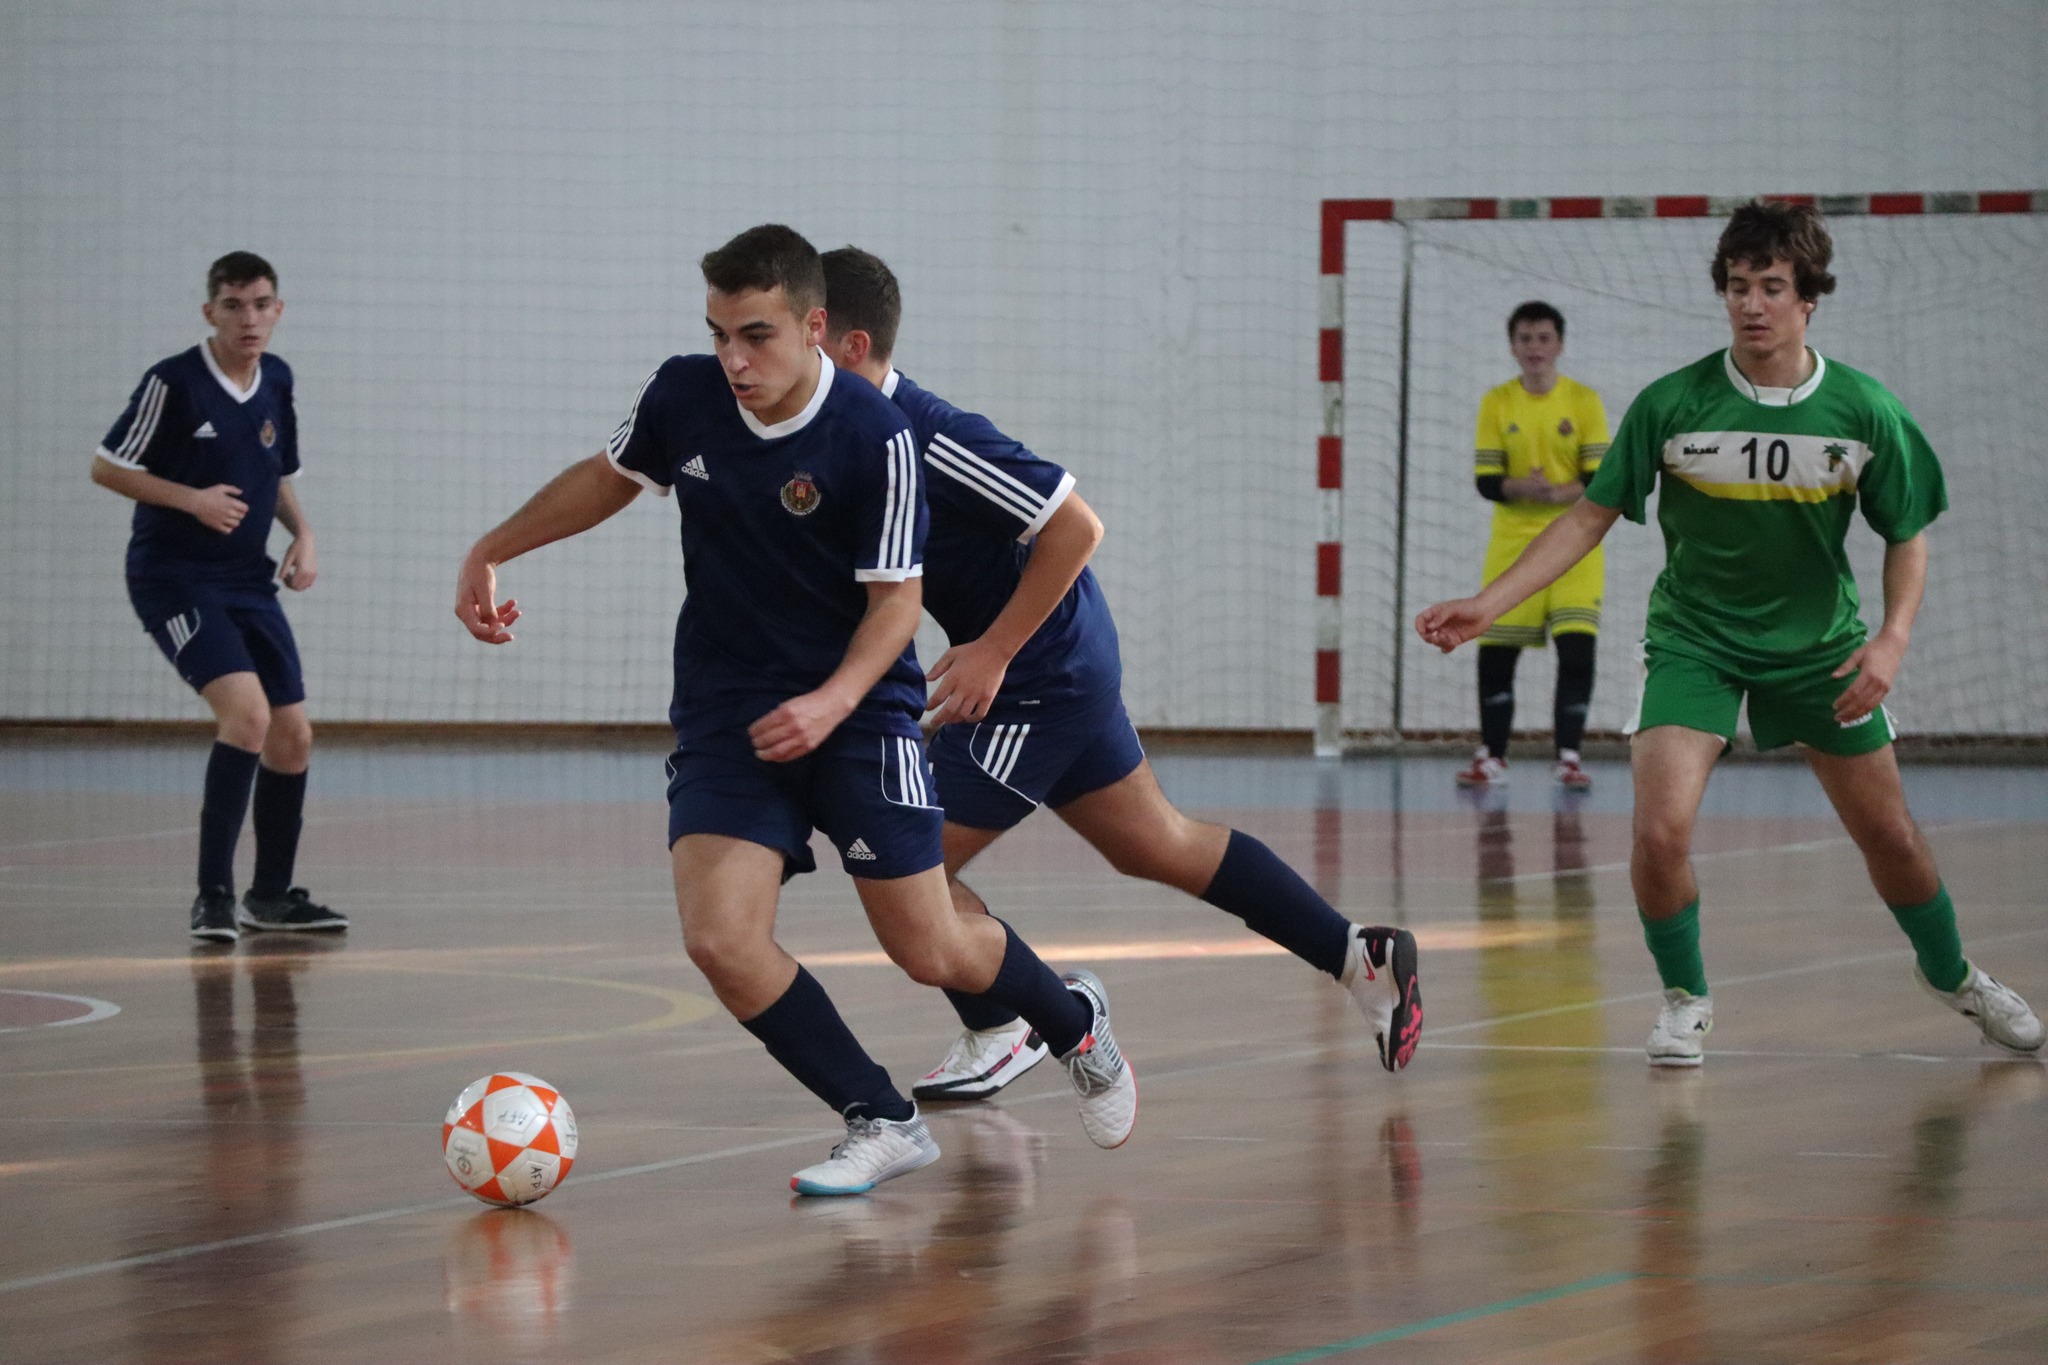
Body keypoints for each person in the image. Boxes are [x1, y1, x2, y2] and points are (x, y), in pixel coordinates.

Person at [455, 225, 1136, 1196]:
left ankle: (1074, 1026)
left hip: (858, 712)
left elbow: (896, 601)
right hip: (729, 708)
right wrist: (494, 545)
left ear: (817, 328)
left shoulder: (877, 437)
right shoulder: (681, 396)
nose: (732, 358)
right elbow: (609, 478)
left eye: (756, 335)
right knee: (719, 938)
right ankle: (879, 1116)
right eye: (718, 332)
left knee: (927, 944)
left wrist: (832, 701)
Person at [1415, 201, 2042, 1066]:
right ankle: (1684, 997)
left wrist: (1892, 638)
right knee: (1659, 831)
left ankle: (1953, 974)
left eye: (1772, 287)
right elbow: (1590, 515)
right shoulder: (1673, 403)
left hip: (1823, 650)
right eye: (1738, 286)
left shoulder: (1863, 410)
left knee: (1891, 838)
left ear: (1807, 299)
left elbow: (1907, 535)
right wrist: (1490, 602)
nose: (1752, 304)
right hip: (1695, 641)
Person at [818, 246, 1421, 1102]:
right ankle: (1360, 952)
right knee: (1156, 842)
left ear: (847, 344)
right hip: (1067, 659)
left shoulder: (932, 433)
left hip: (1039, 675)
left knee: (904, 855)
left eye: (790, 335)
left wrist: (993, 648)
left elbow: (1076, 526)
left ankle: (1010, 1022)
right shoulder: (846, 441)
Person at [91, 252, 347, 944]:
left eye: (261, 303)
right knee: (248, 718)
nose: (249, 318)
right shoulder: (172, 382)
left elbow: (277, 473)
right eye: (234, 305)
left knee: (294, 735)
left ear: (278, 310)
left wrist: (306, 535)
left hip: (247, 578)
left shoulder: (277, 380)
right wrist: (192, 499)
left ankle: (269, 896)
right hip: (173, 575)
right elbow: (107, 467)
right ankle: (212, 895)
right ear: (211, 312)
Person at [1458, 301, 1610, 791]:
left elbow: (1599, 479)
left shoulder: (1584, 401)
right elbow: (1486, 482)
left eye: (1544, 338)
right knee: (1496, 652)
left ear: (1560, 345)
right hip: (1512, 544)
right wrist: (1525, 487)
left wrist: (1560, 494)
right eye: (1525, 339)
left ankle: (1568, 756)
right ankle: (1492, 756)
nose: (1535, 348)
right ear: (1513, 346)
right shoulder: (1497, 402)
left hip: (1574, 544)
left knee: (1577, 650)